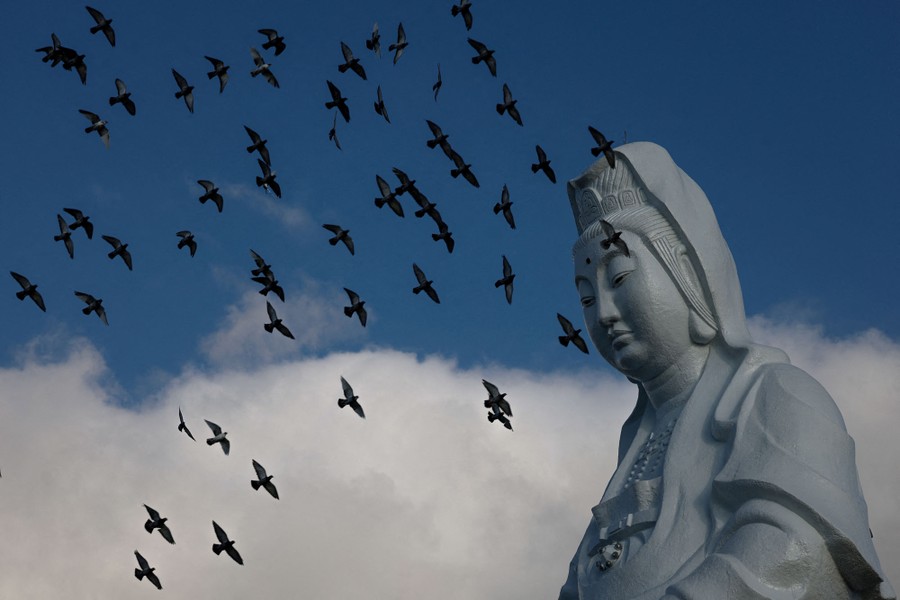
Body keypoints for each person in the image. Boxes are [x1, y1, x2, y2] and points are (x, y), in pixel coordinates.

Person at [558, 142, 894, 599]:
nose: (604, 314)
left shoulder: (774, 396)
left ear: (689, 272)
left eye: (619, 279)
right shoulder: (632, 453)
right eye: (586, 298)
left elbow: (796, 552)